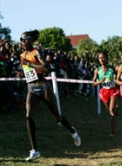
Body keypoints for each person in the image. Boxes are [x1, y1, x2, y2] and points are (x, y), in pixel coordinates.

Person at [19, 30, 81, 161]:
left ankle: (72, 131)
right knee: (28, 116)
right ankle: (34, 150)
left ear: (31, 40)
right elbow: (28, 71)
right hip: (31, 88)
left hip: (43, 87)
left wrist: (29, 63)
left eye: (24, 39)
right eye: (21, 40)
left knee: (57, 117)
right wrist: (21, 73)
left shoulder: (36, 52)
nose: (22, 42)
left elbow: (45, 68)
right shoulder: (22, 55)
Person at [93, 51, 119, 136]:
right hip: (104, 92)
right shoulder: (97, 70)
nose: (101, 59)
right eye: (100, 58)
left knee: (111, 111)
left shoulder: (112, 69)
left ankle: (113, 131)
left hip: (113, 90)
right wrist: (100, 81)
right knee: (110, 111)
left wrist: (116, 78)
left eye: (103, 57)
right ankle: (115, 109)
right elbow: (93, 84)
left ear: (107, 58)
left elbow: (118, 78)